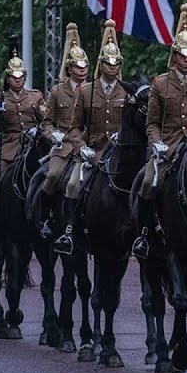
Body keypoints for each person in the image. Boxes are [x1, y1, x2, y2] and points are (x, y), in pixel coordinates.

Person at [130, 4, 187, 259]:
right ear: (174, 55)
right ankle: (145, 235)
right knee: (148, 181)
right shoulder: (160, 84)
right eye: (181, 54)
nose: (186, 59)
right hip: (168, 147)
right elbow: (151, 123)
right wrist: (156, 143)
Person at [53, 20, 128, 255]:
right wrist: (82, 147)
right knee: (74, 184)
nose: (113, 66)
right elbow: (74, 128)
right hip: (93, 152)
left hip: (119, 154)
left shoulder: (127, 90)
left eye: (117, 63)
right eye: (108, 62)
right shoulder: (86, 91)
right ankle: (69, 231)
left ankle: (144, 232)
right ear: (101, 64)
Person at [0, 53, 45, 232]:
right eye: (14, 77)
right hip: (9, 146)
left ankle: (47, 215)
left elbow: (45, 120)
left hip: (33, 144)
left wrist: (38, 130)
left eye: (20, 76)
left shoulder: (35, 97)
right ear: (8, 78)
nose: (17, 80)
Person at [39, 23, 89, 208]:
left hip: (89, 145)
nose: (82, 69)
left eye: (84, 65)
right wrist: (54, 135)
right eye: (77, 65)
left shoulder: (94, 90)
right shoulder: (57, 92)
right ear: (69, 68)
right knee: (53, 176)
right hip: (65, 146)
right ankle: (46, 215)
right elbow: (47, 124)